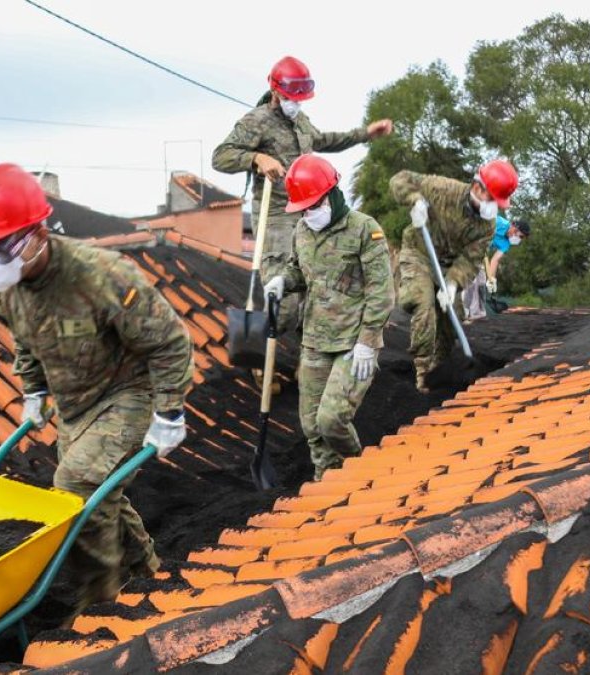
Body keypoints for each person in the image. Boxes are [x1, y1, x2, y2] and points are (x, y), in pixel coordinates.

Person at [0, 164, 194, 618]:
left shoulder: (102, 276)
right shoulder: (4, 289)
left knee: (75, 488)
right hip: (75, 406)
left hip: (130, 394)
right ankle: (150, 576)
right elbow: (24, 339)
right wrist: (33, 389)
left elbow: (170, 342)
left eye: (0, 247)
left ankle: (98, 608)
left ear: (38, 233)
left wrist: (169, 412)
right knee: (105, 497)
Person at [212, 56, 393, 377]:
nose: (295, 104)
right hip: (277, 218)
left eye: (299, 99)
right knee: (284, 298)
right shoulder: (255, 122)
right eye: (290, 98)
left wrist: (365, 134)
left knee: (317, 290)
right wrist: (257, 157)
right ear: (275, 92)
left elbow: (323, 141)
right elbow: (221, 157)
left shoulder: (300, 120)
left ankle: (307, 367)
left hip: (309, 214)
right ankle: (260, 363)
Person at [262, 155, 393, 480]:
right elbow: (298, 270)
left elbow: (382, 291)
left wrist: (367, 342)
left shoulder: (365, 229)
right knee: (311, 426)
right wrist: (283, 280)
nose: (309, 214)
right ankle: (328, 483)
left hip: (354, 343)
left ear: (332, 194)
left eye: (314, 205)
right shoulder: (303, 232)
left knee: (331, 419)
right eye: (303, 209)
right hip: (316, 341)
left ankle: (359, 473)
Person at [390, 159, 519, 392]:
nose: (494, 207)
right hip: (419, 253)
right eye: (492, 198)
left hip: (449, 266)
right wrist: (415, 200)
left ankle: (441, 369)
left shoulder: (487, 226)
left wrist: (452, 284)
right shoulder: (442, 189)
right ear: (478, 188)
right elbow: (400, 179)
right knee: (423, 301)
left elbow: (471, 259)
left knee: (452, 317)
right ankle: (422, 370)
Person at [463, 215, 531, 319]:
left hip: (480, 253)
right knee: (473, 280)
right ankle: (465, 311)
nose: (519, 240)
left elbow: (495, 260)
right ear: (514, 228)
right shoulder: (499, 222)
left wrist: (492, 279)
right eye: (520, 236)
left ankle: (478, 314)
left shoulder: (506, 243)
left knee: (481, 282)